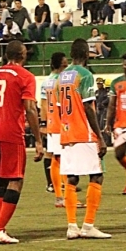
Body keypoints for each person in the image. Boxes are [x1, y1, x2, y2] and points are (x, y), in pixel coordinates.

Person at [0, 40, 43, 244]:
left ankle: (0, 228)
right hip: (10, 132)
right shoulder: (26, 77)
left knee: (0, 180)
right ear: (23, 55)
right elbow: (30, 108)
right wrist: (39, 140)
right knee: (15, 179)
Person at [57, 39, 110, 239]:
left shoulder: (62, 76)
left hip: (66, 132)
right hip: (84, 133)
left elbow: (60, 107)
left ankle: (72, 226)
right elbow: (88, 106)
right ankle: (88, 225)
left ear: (71, 55)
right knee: (97, 175)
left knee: (71, 178)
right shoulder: (85, 75)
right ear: (87, 55)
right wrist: (100, 137)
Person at [40, 53, 84, 208]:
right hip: (61, 124)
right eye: (65, 64)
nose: (67, 67)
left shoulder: (47, 81)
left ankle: (60, 196)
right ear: (61, 65)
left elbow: (43, 104)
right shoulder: (61, 81)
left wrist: (44, 123)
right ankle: (67, 197)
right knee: (65, 160)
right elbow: (62, 104)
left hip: (52, 123)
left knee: (57, 159)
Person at [104, 54, 126, 195]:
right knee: (118, 154)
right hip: (120, 123)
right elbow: (112, 105)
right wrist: (108, 123)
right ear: (123, 65)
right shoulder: (116, 82)